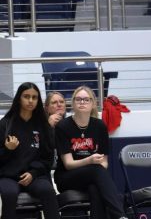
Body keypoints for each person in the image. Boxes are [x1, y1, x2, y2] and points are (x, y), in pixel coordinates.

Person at [54, 86, 126, 219]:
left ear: (93, 103)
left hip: (93, 176)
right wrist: (90, 161)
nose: (82, 102)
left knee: (95, 189)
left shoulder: (100, 126)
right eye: (78, 99)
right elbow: (68, 164)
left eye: (86, 100)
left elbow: (104, 163)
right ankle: (120, 215)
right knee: (96, 171)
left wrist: (95, 165)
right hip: (67, 177)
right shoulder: (63, 126)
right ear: (73, 103)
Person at [0, 82, 60, 219]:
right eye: (26, 96)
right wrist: (8, 150)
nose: (30, 100)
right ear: (19, 98)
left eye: (34, 97)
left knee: (48, 191)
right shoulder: (5, 124)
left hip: (35, 176)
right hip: (9, 176)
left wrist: (33, 173)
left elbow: (48, 158)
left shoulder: (43, 125)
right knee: (9, 194)